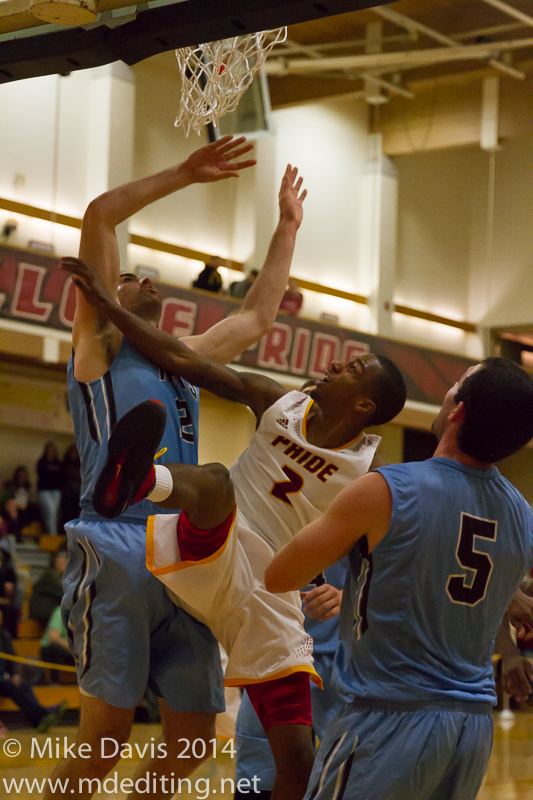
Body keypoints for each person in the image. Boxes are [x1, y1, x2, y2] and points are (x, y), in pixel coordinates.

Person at [59, 248, 407, 800]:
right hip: (208, 550)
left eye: (353, 368)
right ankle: (138, 480)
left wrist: (345, 592)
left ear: (364, 405)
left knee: (295, 759)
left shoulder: (372, 473)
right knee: (217, 480)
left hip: (269, 592)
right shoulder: (278, 402)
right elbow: (182, 354)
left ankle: (143, 479)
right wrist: (106, 305)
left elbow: (402, 547)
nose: (336, 364)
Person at [49, 138, 306, 800]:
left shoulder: (183, 356)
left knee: (194, 735)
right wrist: (186, 174)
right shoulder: (98, 349)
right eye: (130, 277)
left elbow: (257, 316)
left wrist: (287, 228)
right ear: (106, 296)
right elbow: (101, 215)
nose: (146, 280)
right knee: (104, 740)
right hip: (117, 538)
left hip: (186, 552)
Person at [265, 357, 533, 800]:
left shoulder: (385, 490)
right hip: (470, 729)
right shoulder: (522, 514)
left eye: (457, 382)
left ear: (458, 410)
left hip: (386, 722)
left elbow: (279, 575)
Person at [235, 560, 348, 800]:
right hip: (271, 652)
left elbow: (396, 575)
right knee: (257, 779)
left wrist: (348, 596)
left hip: (343, 656)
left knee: (350, 778)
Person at [0, 614, 67, 731]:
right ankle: (42, 715)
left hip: (5, 678)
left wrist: (15, 674)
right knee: (13, 688)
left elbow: (12, 657)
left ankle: (40, 720)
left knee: (23, 685)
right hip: (2, 679)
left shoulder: (3, 635)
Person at [29, 550, 68, 628]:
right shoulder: (50, 575)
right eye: (60, 564)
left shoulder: (61, 576)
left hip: (49, 608)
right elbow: (62, 593)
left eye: (64, 564)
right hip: (42, 610)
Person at [40, 604, 76, 680]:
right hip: (54, 649)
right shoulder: (61, 612)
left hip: (72, 651)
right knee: (55, 649)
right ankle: (54, 681)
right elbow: (53, 638)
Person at [37, 442, 63, 535]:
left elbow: (61, 476)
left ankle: (51, 533)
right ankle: (53, 534)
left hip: (56, 490)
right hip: (45, 490)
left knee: (54, 513)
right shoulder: (41, 462)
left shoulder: (58, 462)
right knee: (50, 511)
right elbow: (40, 475)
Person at [58, 445, 81, 534]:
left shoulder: (81, 464)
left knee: (76, 516)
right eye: (72, 451)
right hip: (66, 495)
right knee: (66, 515)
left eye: (76, 451)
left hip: (77, 495)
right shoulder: (64, 464)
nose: (74, 453)